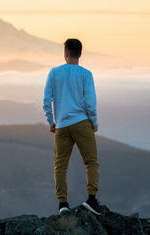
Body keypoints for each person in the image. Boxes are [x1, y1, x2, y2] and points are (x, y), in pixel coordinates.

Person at [42, 38, 101, 215]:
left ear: (65, 53)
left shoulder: (54, 73)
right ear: (80, 54)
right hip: (81, 123)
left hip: (61, 125)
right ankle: (91, 199)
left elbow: (46, 101)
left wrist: (51, 121)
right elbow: (90, 103)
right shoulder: (86, 74)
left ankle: (63, 204)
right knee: (91, 161)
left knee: (60, 165)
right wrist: (94, 122)